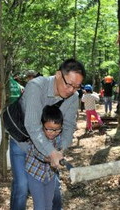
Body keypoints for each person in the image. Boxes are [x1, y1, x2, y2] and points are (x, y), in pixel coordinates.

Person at [8, 58, 85, 210]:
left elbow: (69, 125)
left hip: (48, 147)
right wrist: (51, 151)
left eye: (77, 87)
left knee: (55, 191)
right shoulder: (36, 86)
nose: (71, 90)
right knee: (22, 187)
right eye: (69, 84)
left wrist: (60, 151)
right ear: (58, 74)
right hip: (22, 143)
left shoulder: (74, 97)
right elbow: (32, 125)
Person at [26, 105, 63, 209]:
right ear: (42, 125)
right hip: (35, 174)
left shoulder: (58, 136)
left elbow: (60, 149)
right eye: (49, 129)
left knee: (48, 204)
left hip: (50, 175)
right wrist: (51, 158)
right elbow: (37, 153)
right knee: (40, 206)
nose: (53, 133)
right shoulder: (36, 136)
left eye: (57, 130)